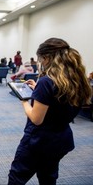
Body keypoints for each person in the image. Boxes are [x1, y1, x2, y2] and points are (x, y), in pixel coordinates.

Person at [8, 38, 92, 185]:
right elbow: (57, 100)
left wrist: (24, 101)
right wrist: (38, 90)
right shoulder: (76, 79)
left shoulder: (47, 81)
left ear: (47, 57)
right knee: (48, 177)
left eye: (41, 59)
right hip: (61, 139)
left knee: (17, 177)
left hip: (38, 141)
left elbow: (36, 118)